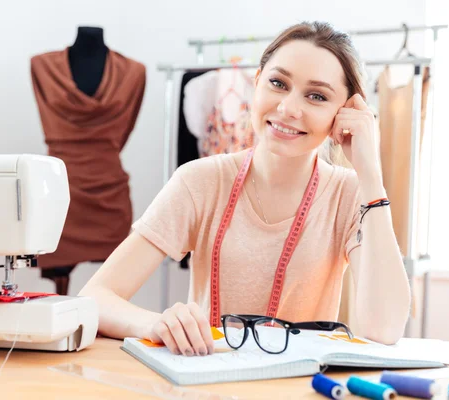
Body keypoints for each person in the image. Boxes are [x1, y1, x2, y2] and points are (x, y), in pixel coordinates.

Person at [79, 21, 411, 357]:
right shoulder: (200, 181)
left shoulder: (350, 194)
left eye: (316, 96)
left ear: (345, 113)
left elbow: (384, 330)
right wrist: (155, 325)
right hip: (207, 385)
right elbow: (94, 298)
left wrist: (370, 176)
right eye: (278, 83)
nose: (288, 109)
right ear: (256, 83)